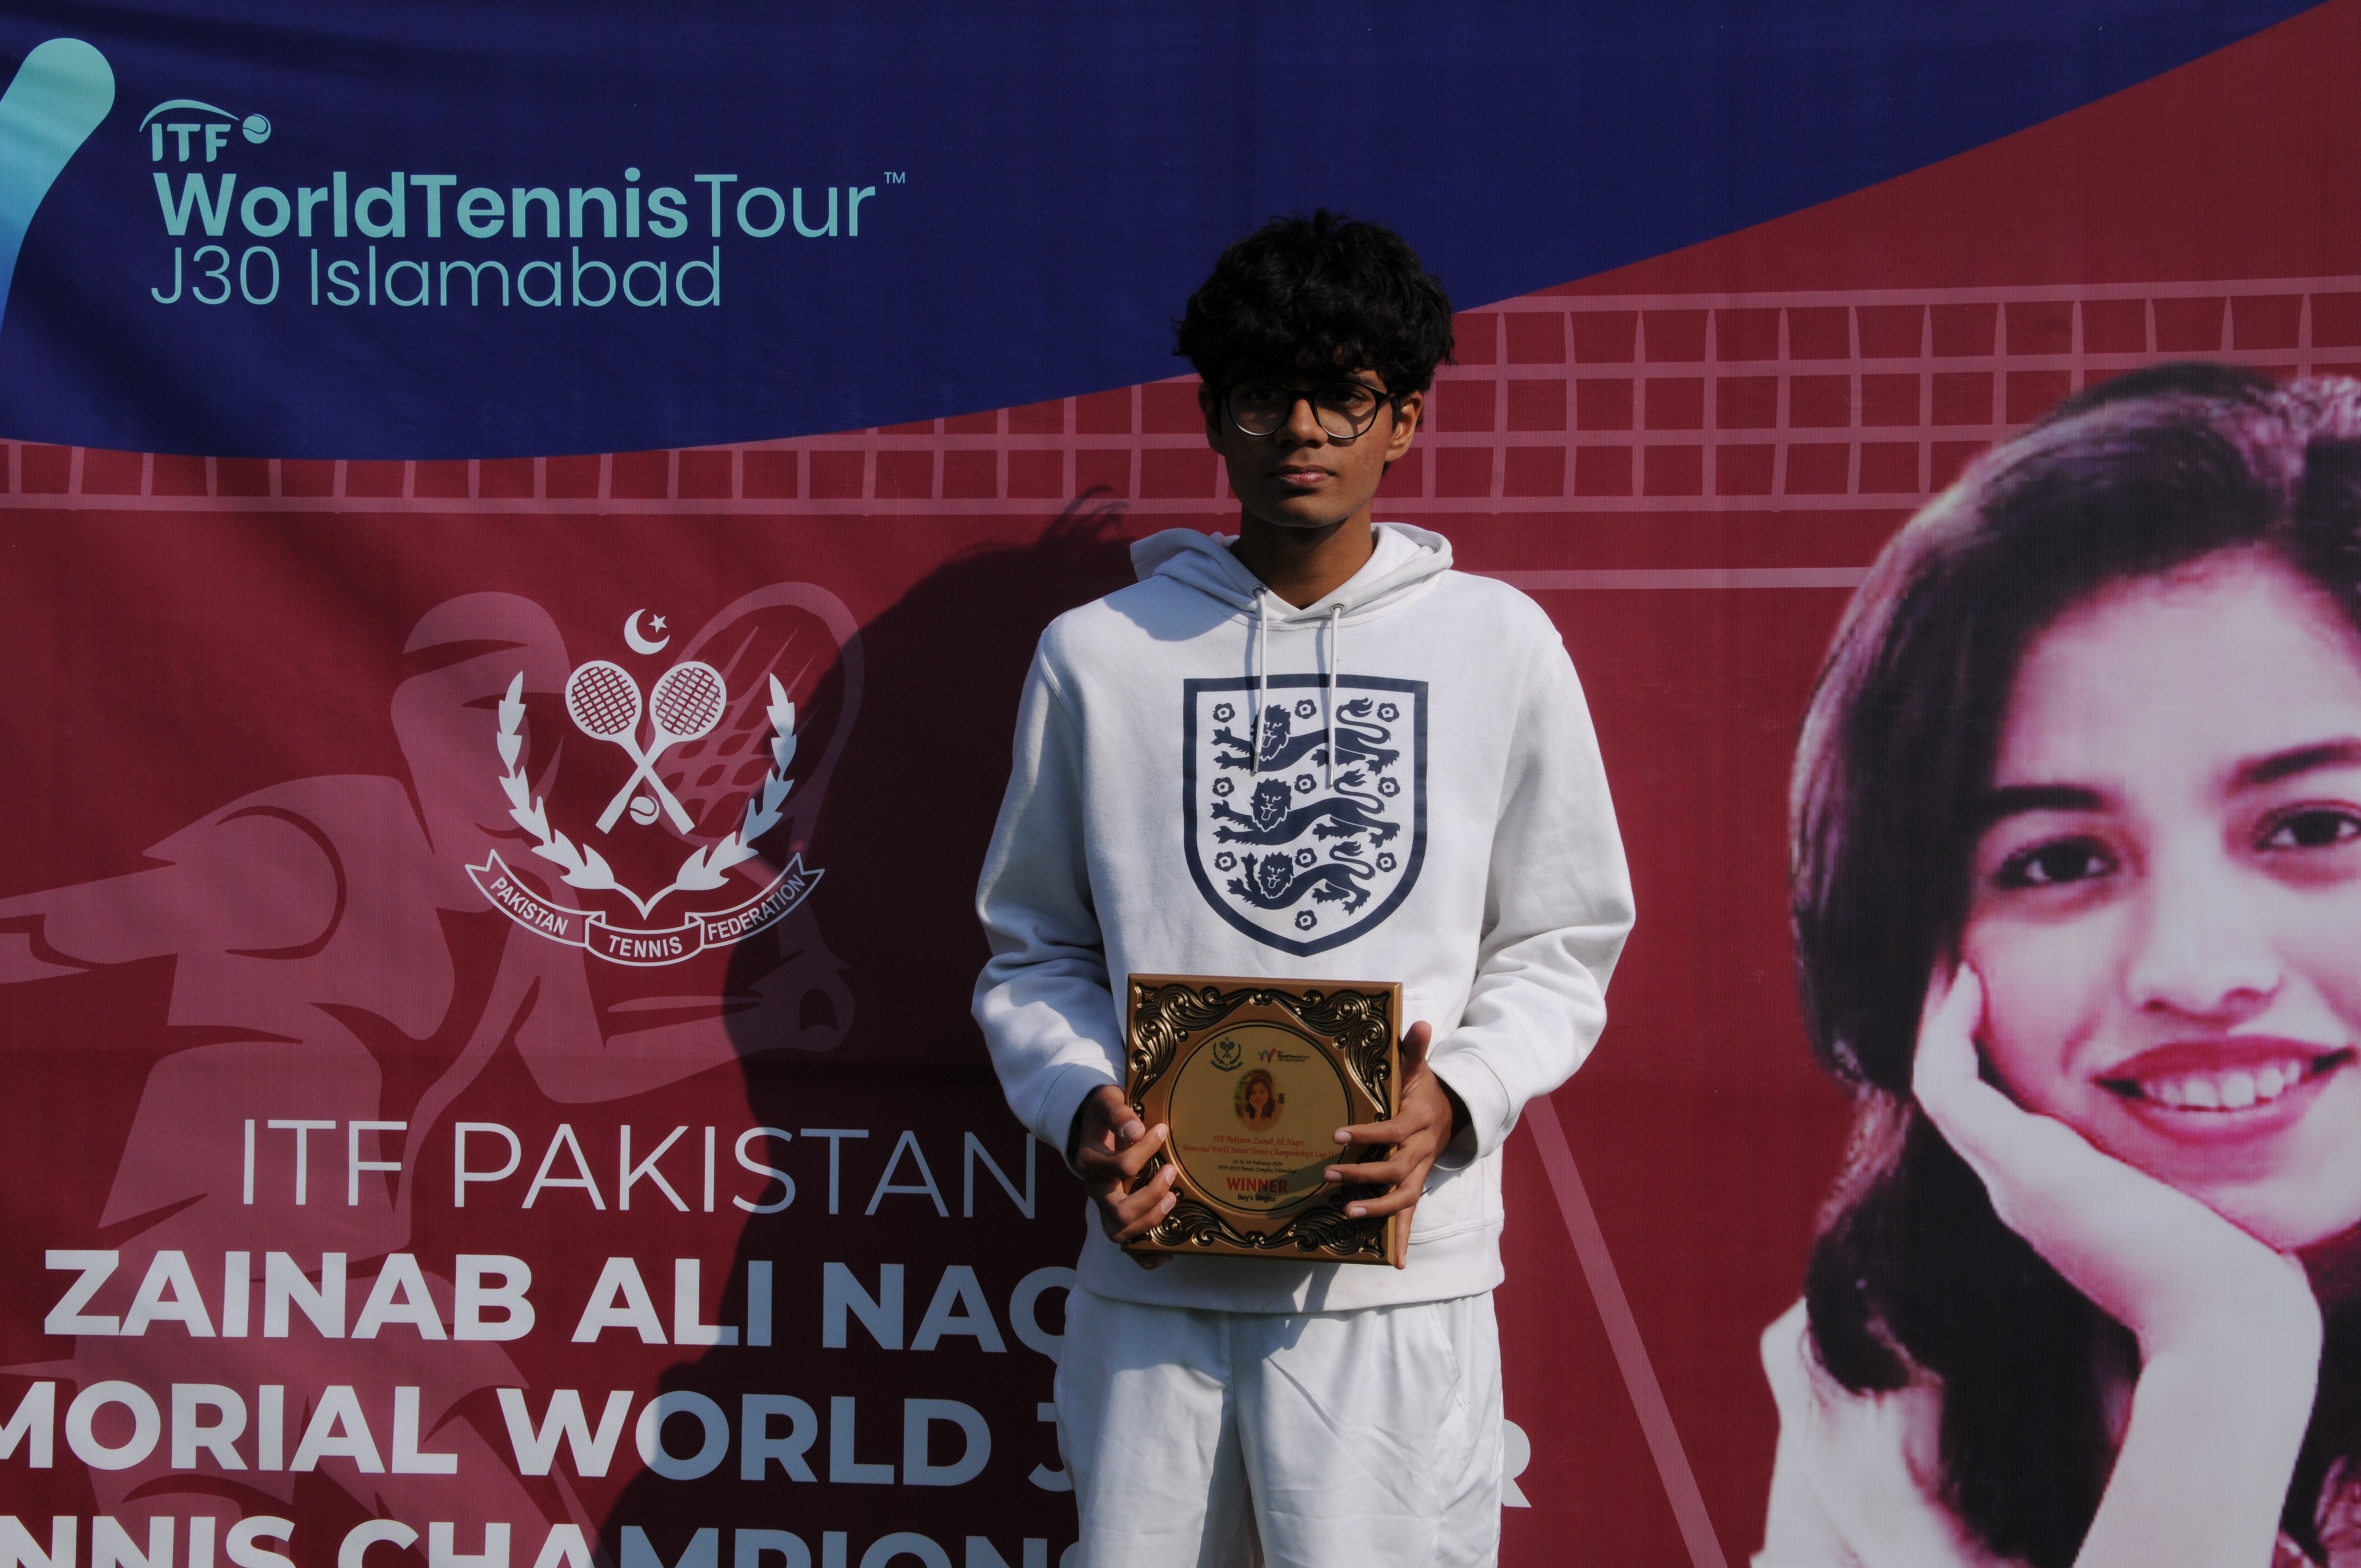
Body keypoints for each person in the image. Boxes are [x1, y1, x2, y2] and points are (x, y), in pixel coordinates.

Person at [972, 210, 1634, 1568]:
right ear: (1214, 416)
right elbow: (1029, 948)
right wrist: (1085, 1103)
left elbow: (1563, 938)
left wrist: (1454, 1103)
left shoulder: (1497, 642)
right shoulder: (1097, 653)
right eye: (1266, 394)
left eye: (1344, 395)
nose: (1304, 429)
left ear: (1402, 419)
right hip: (1152, 1274)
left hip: (1399, 1276)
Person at [1761, 364, 2361, 1568]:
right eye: (2055, 860)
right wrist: (2223, 1350)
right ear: (1921, 945)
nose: (2195, 971)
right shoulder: (1893, 1385)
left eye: (2311, 827)